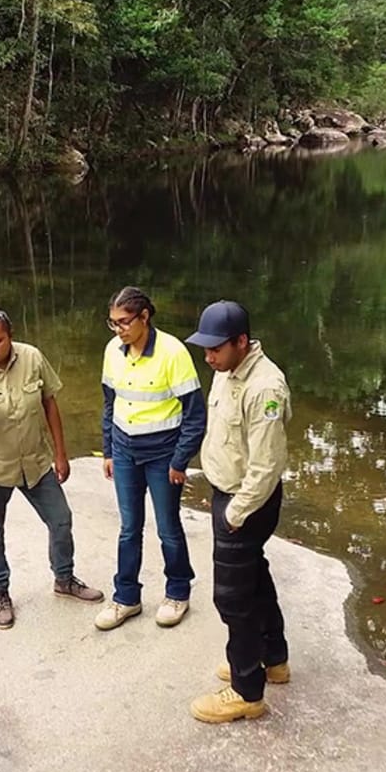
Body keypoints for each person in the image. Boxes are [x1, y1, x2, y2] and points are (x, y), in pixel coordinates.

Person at [0, 308, 105, 629]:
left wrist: (61, 453)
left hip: (34, 460)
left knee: (61, 520)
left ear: (11, 336)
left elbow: (50, 403)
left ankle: (64, 578)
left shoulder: (32, 357)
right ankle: (1, 592)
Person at [183, 300, 291, 723]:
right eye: (205, 349)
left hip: (246, 502)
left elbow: (267, 465)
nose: (207, 357)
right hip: (229, 493)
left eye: (215, 349)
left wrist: (234, 513)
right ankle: (273, 659)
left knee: (232, 598)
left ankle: (247, 690)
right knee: (254, 579)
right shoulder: (227, 371)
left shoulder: (264, 388)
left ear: (241, 342)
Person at [93, 287, 207, 631]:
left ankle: (177, 592)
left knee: (168, 527)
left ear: (145, 317)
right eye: (112, 323)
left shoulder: (173, 352)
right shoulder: (113, 350)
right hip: (125, 450)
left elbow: (195, 414)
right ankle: (126, 597)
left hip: (162, 454)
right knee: (129, 528)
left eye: (124, 322)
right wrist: (110, 450)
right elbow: (110, 403)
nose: (118, 330)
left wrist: (180, 461)